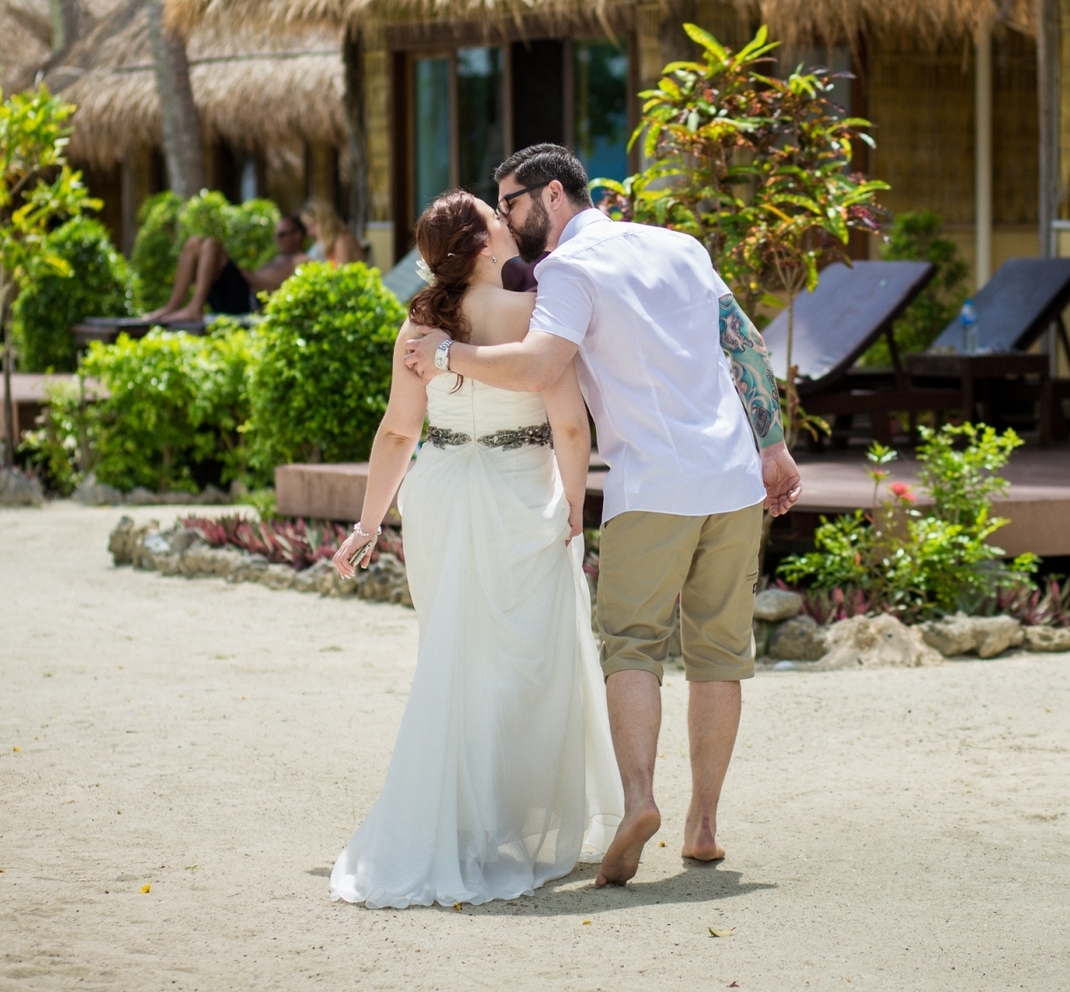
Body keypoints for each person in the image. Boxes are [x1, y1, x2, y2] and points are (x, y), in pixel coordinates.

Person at [399, 143, 801, 888]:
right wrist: (772, 444)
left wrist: (449, 355)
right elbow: (741, 339)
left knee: (634, 649)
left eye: (512, 202)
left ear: (551, 196)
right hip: (735, 478)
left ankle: (640, 800)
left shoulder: (567, 272)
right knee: (719, 657)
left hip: (654, 487)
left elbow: (539, 367)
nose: (511, 220)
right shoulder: (681, 245)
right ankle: (704, 826)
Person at [327, 190, 622, 908]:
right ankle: (510, 823)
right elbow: (571, 429)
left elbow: (398, 432)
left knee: (455, 654)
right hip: (523, 494)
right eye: (497, 220)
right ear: (485, 245)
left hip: (441, 493)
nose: (508, 223)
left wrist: (369, 523)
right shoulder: (536, 313)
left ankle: (466, 822)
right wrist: (576, 513)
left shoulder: (421, 321)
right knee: (530, 662)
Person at [143, 214, 308, 322]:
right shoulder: (276, 259)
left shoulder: (302, 261)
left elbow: (285, 295)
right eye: (276, 235)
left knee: (212, 245)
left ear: (297, 235)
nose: (277, 239)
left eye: (281, 235)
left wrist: (251, 278)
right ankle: (173, 305)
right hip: (235, 296)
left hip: (249, 303)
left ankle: (195, 308)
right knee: (193, 243)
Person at [300, 197, 365, 266]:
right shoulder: (330, 242)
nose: (309, 233)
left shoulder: (341, 241)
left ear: (325, 221)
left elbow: (341, 274)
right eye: (307, 228)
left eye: (312, 226)